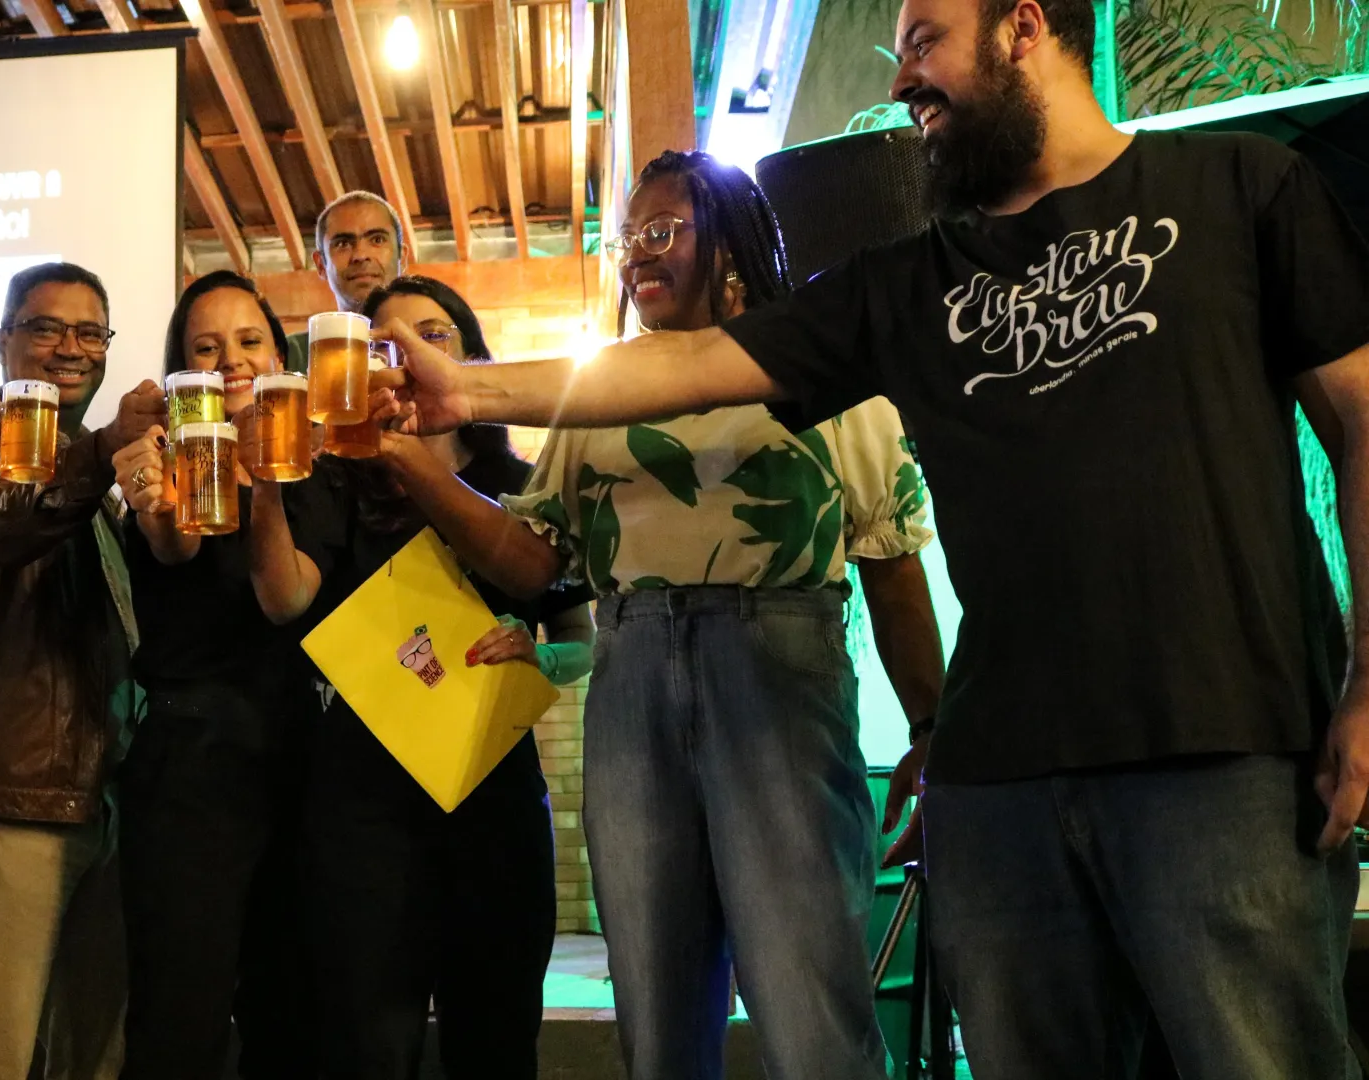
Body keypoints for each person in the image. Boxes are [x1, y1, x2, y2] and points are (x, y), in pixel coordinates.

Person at [380, 0, 1369, 1070]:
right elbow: (692, 366)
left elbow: (1363, 425)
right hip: (999, 786)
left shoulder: (1239, 187)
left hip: (1223, 753)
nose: (901, 81)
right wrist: (462, 391)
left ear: (1023, 26)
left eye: (923, 41)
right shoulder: (909, 282)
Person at [440, 154, 938, 1080]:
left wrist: (931, 727)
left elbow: (893, 565)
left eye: (661, 231)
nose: (636, 254)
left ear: (733, 241)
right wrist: (410, 467)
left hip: (780, 680)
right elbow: (534, 562)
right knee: (658, 1020)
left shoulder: (821, 371)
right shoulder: (599, 392)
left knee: (811, 1016)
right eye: (626, 239)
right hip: (629, 683)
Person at [248, 276, 596, 1079]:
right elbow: (286, 598)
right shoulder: (336, 484)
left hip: (492, 793)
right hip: (361, 810)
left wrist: (540, 656)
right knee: (369, 1044)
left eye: (431, 336)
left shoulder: (522, 485)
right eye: (382, 343)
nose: (402, 358)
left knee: (496, 1039)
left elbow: (582, 639)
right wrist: (266, 480)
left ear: (469, 359)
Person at [0, 261, 161, 1080]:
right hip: (9, 796)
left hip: (101, 800)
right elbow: (7, 526)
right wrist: (105, 448)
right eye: (46, 327)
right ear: (3, 339)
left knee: (92, 1058)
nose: (70, 348)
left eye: (90, 333)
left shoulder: (93, 472)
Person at [110, 270, 321, 1079]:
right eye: (205, 347)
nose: (230, 359)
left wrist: (265, 481)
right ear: (180, 373)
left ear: (279, 358)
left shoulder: (319, 469)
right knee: (180, 1012)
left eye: (248, 340)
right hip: (189, 756)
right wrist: (158, 508)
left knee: (290, 1008)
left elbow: (284, 600)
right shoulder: (164, 459)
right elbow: (176, 545)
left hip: (298, 752)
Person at [285, 191, 406, 371]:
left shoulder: (435, 346)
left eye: (377, 240)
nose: (360, 255)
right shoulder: (293, 355)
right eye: (343, 244)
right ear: (321, 264)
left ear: (402, 257)